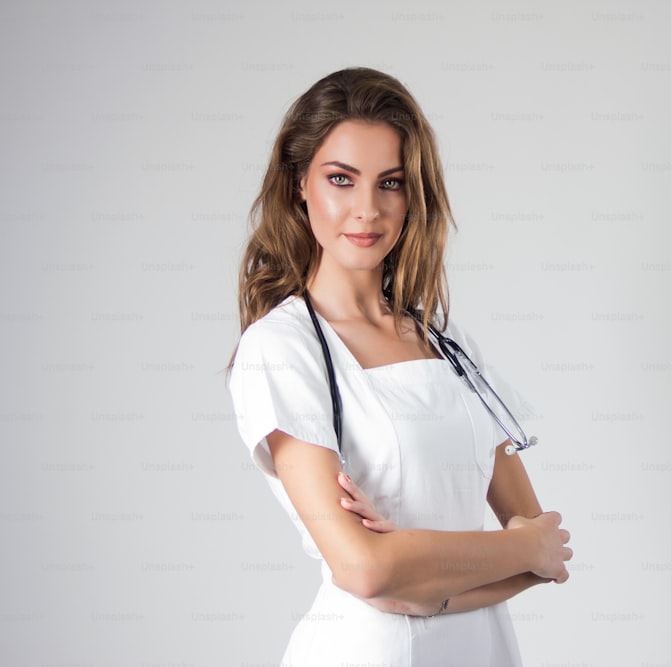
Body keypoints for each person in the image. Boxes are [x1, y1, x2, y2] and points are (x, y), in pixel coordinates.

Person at [226, 67, 572, 666]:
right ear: (299, 184)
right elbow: (362, 568)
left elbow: (545, 552)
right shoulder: (282, 350)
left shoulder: (447, 344)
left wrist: (423, 584)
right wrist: (512, 551)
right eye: (341, 179)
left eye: (390, 183)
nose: (367, 210)